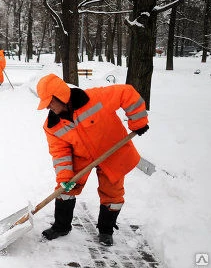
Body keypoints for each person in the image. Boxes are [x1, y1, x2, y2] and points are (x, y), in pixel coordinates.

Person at [36, 73, 149, 246]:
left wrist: (138, 122)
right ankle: (61, 226)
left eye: (50, 102)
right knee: (65, 189)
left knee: (113, 193)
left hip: (113, 151)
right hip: (81, 157)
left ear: (62, 96)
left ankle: (106, 230)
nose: (47, 108)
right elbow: (60, 153)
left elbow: (127, 93)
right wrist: (65, 177)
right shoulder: (52, 125)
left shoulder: (95, 98)